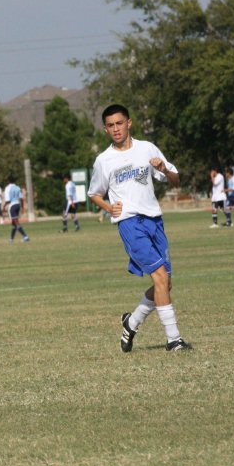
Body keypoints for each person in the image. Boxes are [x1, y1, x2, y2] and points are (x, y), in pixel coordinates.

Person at [88, 104, 191, 353]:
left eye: (119, 123)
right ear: (105, 129)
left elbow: (176, 180)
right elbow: (94, 193)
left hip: (154, 220)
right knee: (160, 278)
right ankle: (174, 340)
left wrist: (163, 169)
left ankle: (131, 323)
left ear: (129, 123)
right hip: (130, 223)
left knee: (165, 284)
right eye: (110, 125)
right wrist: (109, 207)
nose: (116, 129)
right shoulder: (103, 160)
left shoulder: (147, 148)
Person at [3, 176, 30, 242]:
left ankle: (25, 237)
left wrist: (3, 207)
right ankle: (11, 239)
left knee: (16, 222)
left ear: (8, 181)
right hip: (17, 205)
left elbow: (8, 200)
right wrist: (22, 207)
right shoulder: (17, 187)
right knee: (14, 223)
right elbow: (21, 198)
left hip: (12, 206)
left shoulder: (7, 188)